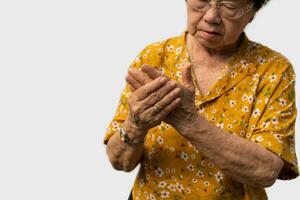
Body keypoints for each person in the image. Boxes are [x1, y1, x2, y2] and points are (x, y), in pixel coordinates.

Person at [104, 0, 299, 199]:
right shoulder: (155, 57)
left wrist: (189, 122)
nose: (211, 17)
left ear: (253, 13)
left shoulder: (272, 69)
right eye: (202, 1)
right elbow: (119, 161)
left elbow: (265, 171)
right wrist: (136, 125)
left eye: (229, 6)